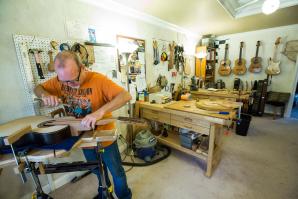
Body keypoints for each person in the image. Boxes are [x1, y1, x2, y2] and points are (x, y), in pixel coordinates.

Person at [34, 51, 132, 199]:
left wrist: (99, 112)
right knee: (97, 170)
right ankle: (105, 192)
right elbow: (37, 88)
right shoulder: (60, 81)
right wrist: (45, 95)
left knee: (116, 171)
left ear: (82, 67)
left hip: (104, 137)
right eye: (64, 82)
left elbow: (126, 96)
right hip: (83, 139)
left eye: (73, 80)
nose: (70, 86)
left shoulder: (99, 80)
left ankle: (125, 196)